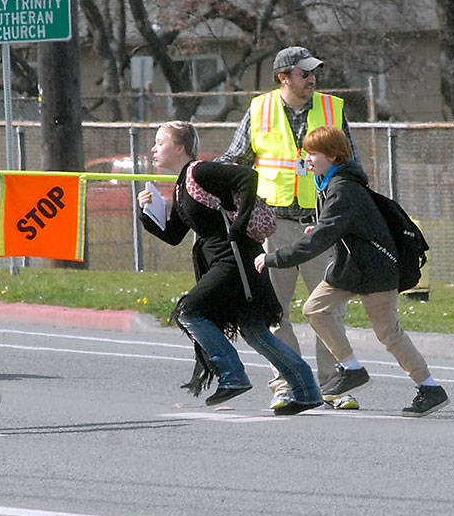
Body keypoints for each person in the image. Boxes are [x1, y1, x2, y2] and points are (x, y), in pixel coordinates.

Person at [255, 126, 449, 417]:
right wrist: (321, 229)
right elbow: (336, 228)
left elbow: (320, 239)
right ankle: (352, 368)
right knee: (315, 309)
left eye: (314, 154)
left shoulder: (344, 188)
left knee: (389, 333)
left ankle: (430, 388)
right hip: (353, 268)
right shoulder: (331, 183)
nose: (307, 159)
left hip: (375, 270)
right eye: (306, 153)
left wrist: (274, 258)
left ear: (333, 156)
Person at [138, 121, 322, 415]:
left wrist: (238, 224)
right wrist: (146, 214)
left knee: (188, 311)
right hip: (227, 262)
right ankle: (307, 391)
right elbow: (173, 236)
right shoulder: (181, 184)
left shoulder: (200, 171)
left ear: (180, 147)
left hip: (234, 261)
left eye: (160, 142)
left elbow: (248, 176)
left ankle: (233, 375)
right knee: (254, 330)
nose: (154, 148)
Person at [218, 46, 364, 410]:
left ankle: (332, 385)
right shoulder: (259, 109)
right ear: (284, 77)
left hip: (320, 227)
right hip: (274, 225)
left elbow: (351, 164)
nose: (312, 78)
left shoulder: (332, 108)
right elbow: (233, 160)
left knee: (327, 309)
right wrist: (204, 179)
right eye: (304, 73)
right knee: (274, 312)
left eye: (314, 72)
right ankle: (287, 384)